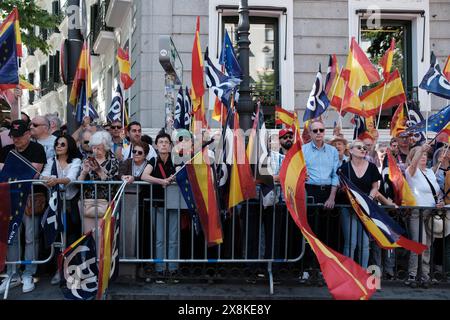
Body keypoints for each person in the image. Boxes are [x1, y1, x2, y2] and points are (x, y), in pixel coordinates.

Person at [0, 120, 46, 294]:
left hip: (30, 199)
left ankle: (28, 273)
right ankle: (13, 273)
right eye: (13, 136)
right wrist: (16, 172)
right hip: (9, 199)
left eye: (19, 136)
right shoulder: (6, 150)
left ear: (28, 134)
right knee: (11, 236)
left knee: (30, 236)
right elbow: (3, 174)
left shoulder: (37, 149)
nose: (16, 139)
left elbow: (33, 174)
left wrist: (12, 171)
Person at [301, 120, 339, 284]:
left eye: (321, 130)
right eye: (315, 130)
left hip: (327, 193)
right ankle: (307, 269)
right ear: (309, 133)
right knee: (310, 234)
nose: (318, 133)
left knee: (326, 234)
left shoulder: (332, 151)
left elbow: (335, 175)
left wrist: (332, 197)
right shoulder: (303, 150)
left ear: (325, 132)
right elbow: (299, 173)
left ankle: (324, 269)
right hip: (310, 192)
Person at [404, 144, 448, 288]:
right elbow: (414, 163)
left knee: (427, 245)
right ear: (413, 157)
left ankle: (424, 275)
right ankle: (412, 275)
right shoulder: (410, 171)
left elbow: (435, 191)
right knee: (418, 244)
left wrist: (439, 202)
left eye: (425, 155)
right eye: (420, 155)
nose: (423, 157)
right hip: (417, 212)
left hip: (431, 212)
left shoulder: (429, 172)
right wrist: (421, 149)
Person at [41, 134, 82, 285]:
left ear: (69, 147)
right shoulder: (51, 161)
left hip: (71, 205)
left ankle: (71, 271)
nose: (58, 146)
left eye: (62, 144)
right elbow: (43, 176)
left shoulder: (76, 161)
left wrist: (55, 180)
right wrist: (49, 179)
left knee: (71, 238)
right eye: (57, 144)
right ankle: (59, 271)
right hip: (54, 204)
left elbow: (72, 177)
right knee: (56, 238)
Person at [338, 140, 382, 269]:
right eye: (359, 147)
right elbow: (340, 185)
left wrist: (369, 198)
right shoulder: (344, 167)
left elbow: (375, 187)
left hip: (366, 208)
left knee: (364, 243)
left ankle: (362, 271)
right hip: (348, 208)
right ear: (350, 151)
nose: (363, 149)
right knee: (350, 243)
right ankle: (349, 272)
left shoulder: (372, 167)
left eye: (364, 148)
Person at [141, 132, 177, 283]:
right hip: (158, 203)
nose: (163, 144)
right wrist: (162, 181)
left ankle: (173, 270)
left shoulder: (176, 160)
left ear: (170, 145)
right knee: (160, 239)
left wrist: (173, 179)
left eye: (166, 142)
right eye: (160, 142)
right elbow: (144, 176)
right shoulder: (153, 161)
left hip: (174, 204)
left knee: (173, 239)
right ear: (156, 145)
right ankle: (160, 269)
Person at [77, 131, 119, 232]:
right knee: (88, 236)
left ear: (106, 147)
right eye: (93, 147)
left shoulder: (113, 162)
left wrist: (99, 171)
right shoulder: (86, 160)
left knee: (103, 237)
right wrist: (84, 172)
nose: (95, 151)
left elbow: (114, 184)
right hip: (87, 203)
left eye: (98, 148)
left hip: (106, 204)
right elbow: (78, 184)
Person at [118, 140, 150, 259]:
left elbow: (146, 178)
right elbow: (119, 172)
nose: (136, 153)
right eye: (134, 151)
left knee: (141, 233)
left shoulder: (148, 164)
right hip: (126, 201)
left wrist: (134, 178)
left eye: (139, 152)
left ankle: (141, 260)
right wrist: (123, 177)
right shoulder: (127, 162)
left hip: (143, 202)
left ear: (145, 154)